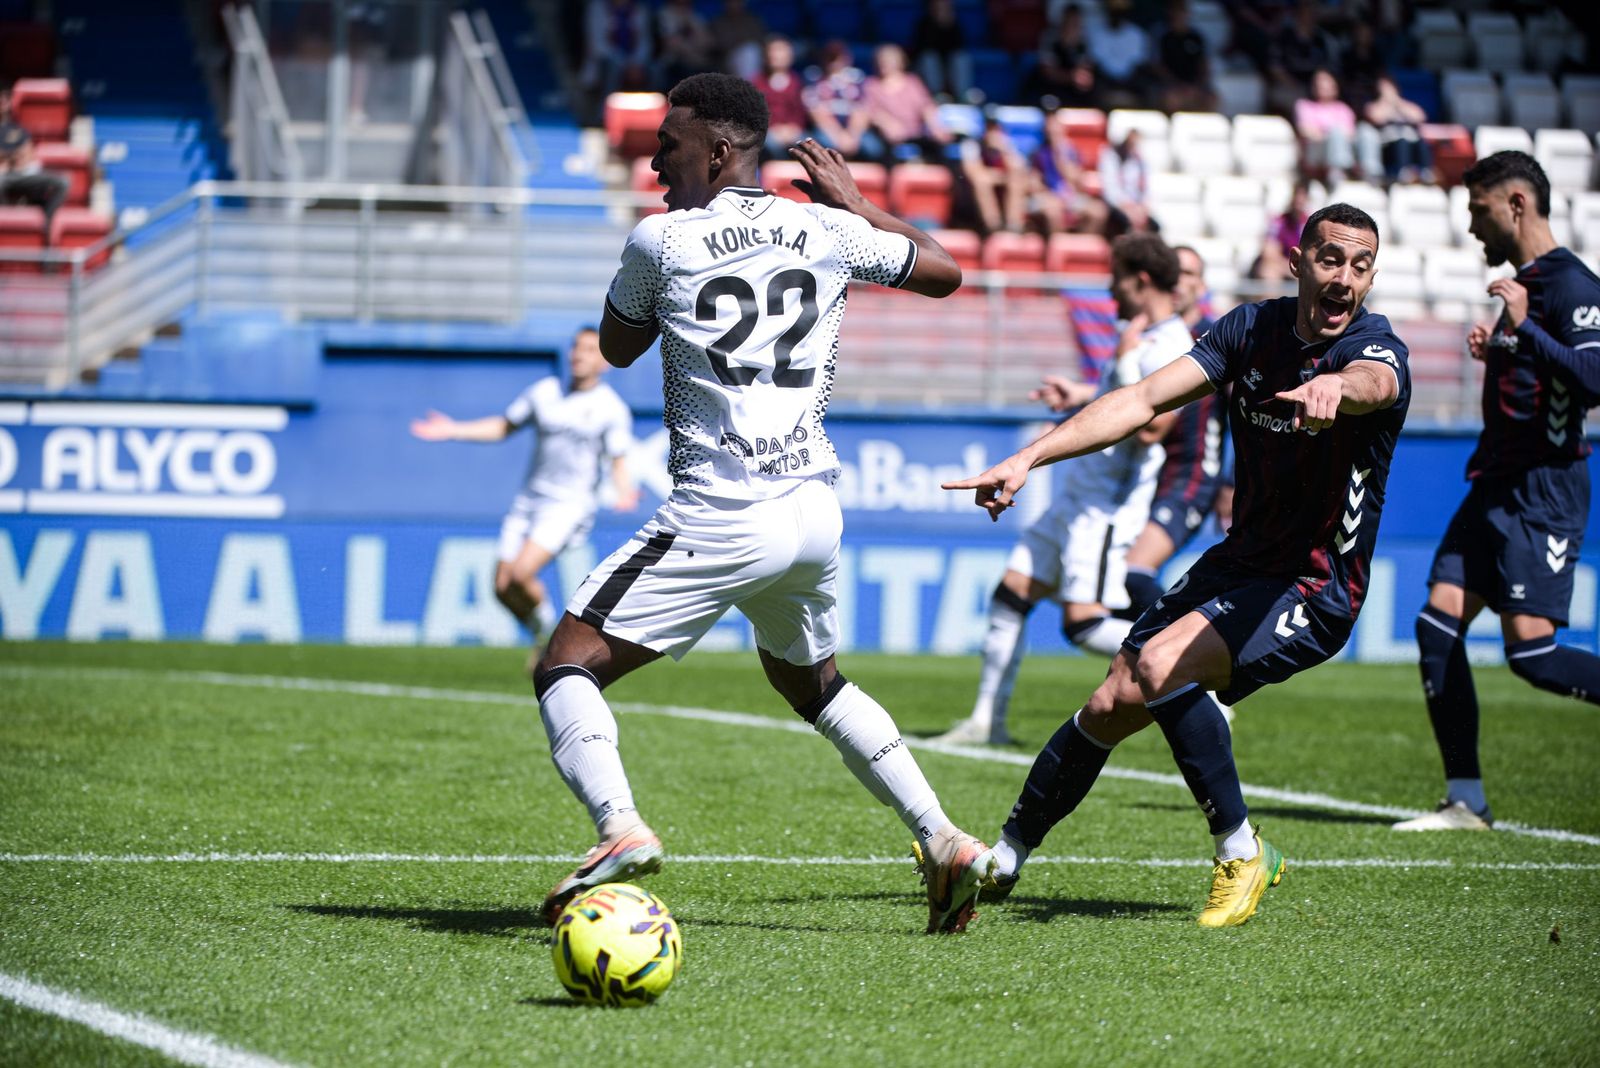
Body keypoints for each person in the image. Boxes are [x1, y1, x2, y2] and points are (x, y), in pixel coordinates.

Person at [535, 73, 993, 934]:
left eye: (667, 144)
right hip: (813, 511)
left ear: (717, 150)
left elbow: (617, 347)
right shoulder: (826, 229)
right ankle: (943, 841)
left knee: (564, 663)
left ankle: (618, 828)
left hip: (722, 508)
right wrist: (859, 205)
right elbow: (944, 271)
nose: (654, 162)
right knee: (812, 683)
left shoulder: (660, 240)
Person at [946, 203, 1410, 927]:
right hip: (1239, 563)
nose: (1344, 277)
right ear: (1297, 263)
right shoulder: (1249, 330)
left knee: (1161, 666)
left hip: (1315, 585)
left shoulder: (1375, 348)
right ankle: (1003, 861)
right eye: (1329, 259)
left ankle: (1241, 851)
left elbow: (1375, 383)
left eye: (1359, 265)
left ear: (1371, 276)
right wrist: (1029, 455)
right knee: (1112, 700)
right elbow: (1139, 400)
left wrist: (1336, 388)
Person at [1395, 151, 1600, 832]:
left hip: (1543, 489)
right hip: (1495, 481)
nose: (1472, 225)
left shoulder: (1571, 285)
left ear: (1517, 203)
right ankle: (1466, 800)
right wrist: (1507, 346)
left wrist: (1528, 331)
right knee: (1435, 626)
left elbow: (1594, 382)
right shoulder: (1528, 286)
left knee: (1533, 656)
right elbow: (1546, 376)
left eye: (1479, 210)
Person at [933, 234, 1195, 746]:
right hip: (1078, 496)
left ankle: (1189, 672)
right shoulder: (1137, 333)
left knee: (1082, 625)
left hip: (1108, 507)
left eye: (1115, 277)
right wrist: (1079, 394)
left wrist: (1122, 361)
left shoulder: (1172, 346)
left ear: (1140, 279)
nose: (1109, 288)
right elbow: (1117, 400)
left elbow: (1151, 429)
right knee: (1010, 595)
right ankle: (987, 723)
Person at [410, 328, 639, 660]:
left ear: (605, 361)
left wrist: (625, 491)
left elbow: (619, 458)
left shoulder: (610, 408)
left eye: (589, 349)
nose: (578, 354)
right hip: (530, 500)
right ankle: (542, 630)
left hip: (569, 505)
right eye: (576, 347)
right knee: (502, 587)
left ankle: (553, 635)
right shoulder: (545, 392)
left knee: (521, 574)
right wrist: (453, 429)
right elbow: (505, 426)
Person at [1120, 245, 1228, 623]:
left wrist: (1233, 482)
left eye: (1189, 274)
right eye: (1175, 273)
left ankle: (1183, 653)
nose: (1180, 282)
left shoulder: (1217, 338)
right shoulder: (1154, 336)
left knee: (1131, 575)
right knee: (1104, 594)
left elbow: (1247, 413)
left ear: (1201, 285)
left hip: (1192, 478)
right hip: (1147, 476)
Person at [859, 43, 951, 164]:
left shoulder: (913, 83)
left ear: (900, 62)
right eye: (881, 60)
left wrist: (936, 127)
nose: (884, 63)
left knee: (941, 150)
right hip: (885, 139)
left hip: (914, 134)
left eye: (888, 60)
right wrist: (887, 124)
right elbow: (869, 111)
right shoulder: (871, 85)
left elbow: (926, 107)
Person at [0, 88, 68, 243]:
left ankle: (46, 225)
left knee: (62, 182)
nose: (2, 101)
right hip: (3, 177)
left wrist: (8, 157)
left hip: (22, 174)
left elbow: (27, 155)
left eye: (5, 97)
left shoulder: (17, 129)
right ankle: (5, 225)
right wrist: (13, 155)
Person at [1363, 75, 1434, 185]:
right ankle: (1402, 172)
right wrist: (1387, 104)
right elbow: (1376, 118)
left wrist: (1397, 103)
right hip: (1388, 143)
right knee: (1402, 142)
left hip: (1411, 139)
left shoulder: (1403, 104)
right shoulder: (1374, 105)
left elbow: (1420, 116)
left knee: (1422, 143)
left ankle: (1426, 172)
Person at [1295, 69, 1361, 183]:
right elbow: (1305, 131)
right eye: (1319, 84)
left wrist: (1328, 132)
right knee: (1336, 133)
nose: (1323, 87)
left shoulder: (1343, 108)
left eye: (1327, 84)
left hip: (1341, 147)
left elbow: (1351, 133)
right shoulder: (1304, 105)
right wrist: (1331, 134)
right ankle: (1337, 172)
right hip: (1316, 152)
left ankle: (1370, 173)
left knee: (1366, 132)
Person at [750, 35, 808, 160]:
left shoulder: (798, 83)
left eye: (781, 51)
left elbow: (801, 112)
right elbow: (754, 114)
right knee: (770, 145)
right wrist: (773, 129)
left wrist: (793, 128)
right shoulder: (756, 83)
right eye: (772, 51)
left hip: (794, 131)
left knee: (807, 144)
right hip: (769, 132)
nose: (776, 55)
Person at [912, 0, 972, 101]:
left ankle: (961, 96)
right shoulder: (923, 24)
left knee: (961, 58)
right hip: (928, 66)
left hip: (950, 64)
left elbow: (959, 47)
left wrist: (947, 26)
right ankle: (936, 95)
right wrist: (936, 26)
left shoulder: (955, 24)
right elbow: (922, 49)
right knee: (929, 58)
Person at [1099, 129, 1154, 236]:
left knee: (1154, 226)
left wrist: (1142, 207)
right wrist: (1127, 207)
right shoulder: (1111, 155)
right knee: (1124, 222)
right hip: (1117, 206)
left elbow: (1147, 188)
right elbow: (1110, 189)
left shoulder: (1141, 160)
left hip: (1137, 207)